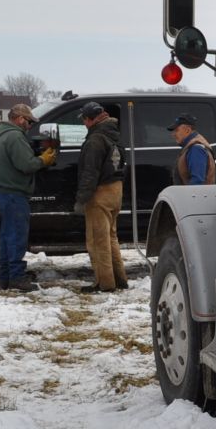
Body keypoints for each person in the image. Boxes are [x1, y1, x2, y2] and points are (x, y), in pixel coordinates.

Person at [0, 103, 56, 291]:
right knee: (16, 235)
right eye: (28, 121)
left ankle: (6, 277)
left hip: (3, 192)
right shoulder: (15, 136)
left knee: (7, 235)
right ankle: (17, 278)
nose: (29, 125)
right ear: (19, 119)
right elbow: (26, 165)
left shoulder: (4, 135)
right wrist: (45, 159)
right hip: (13, 193)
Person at [74, 101, 128, 293]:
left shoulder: (96, 139)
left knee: (98, 240)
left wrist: (82, 199)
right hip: (116, 190)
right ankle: (120, 278)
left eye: (84, 119)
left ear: (91, 119)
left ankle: (104, 283)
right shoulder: (113, 134)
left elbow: (90, 172)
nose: (84, 123)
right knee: (111, 236)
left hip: (101, 192)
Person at [169, 113, 215, 185]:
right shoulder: (192, 147)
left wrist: (187, 196)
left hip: (196, 195)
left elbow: (197, 182)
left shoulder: (196, 149)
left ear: (187, 130)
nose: (173, 134)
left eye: (176, 130)